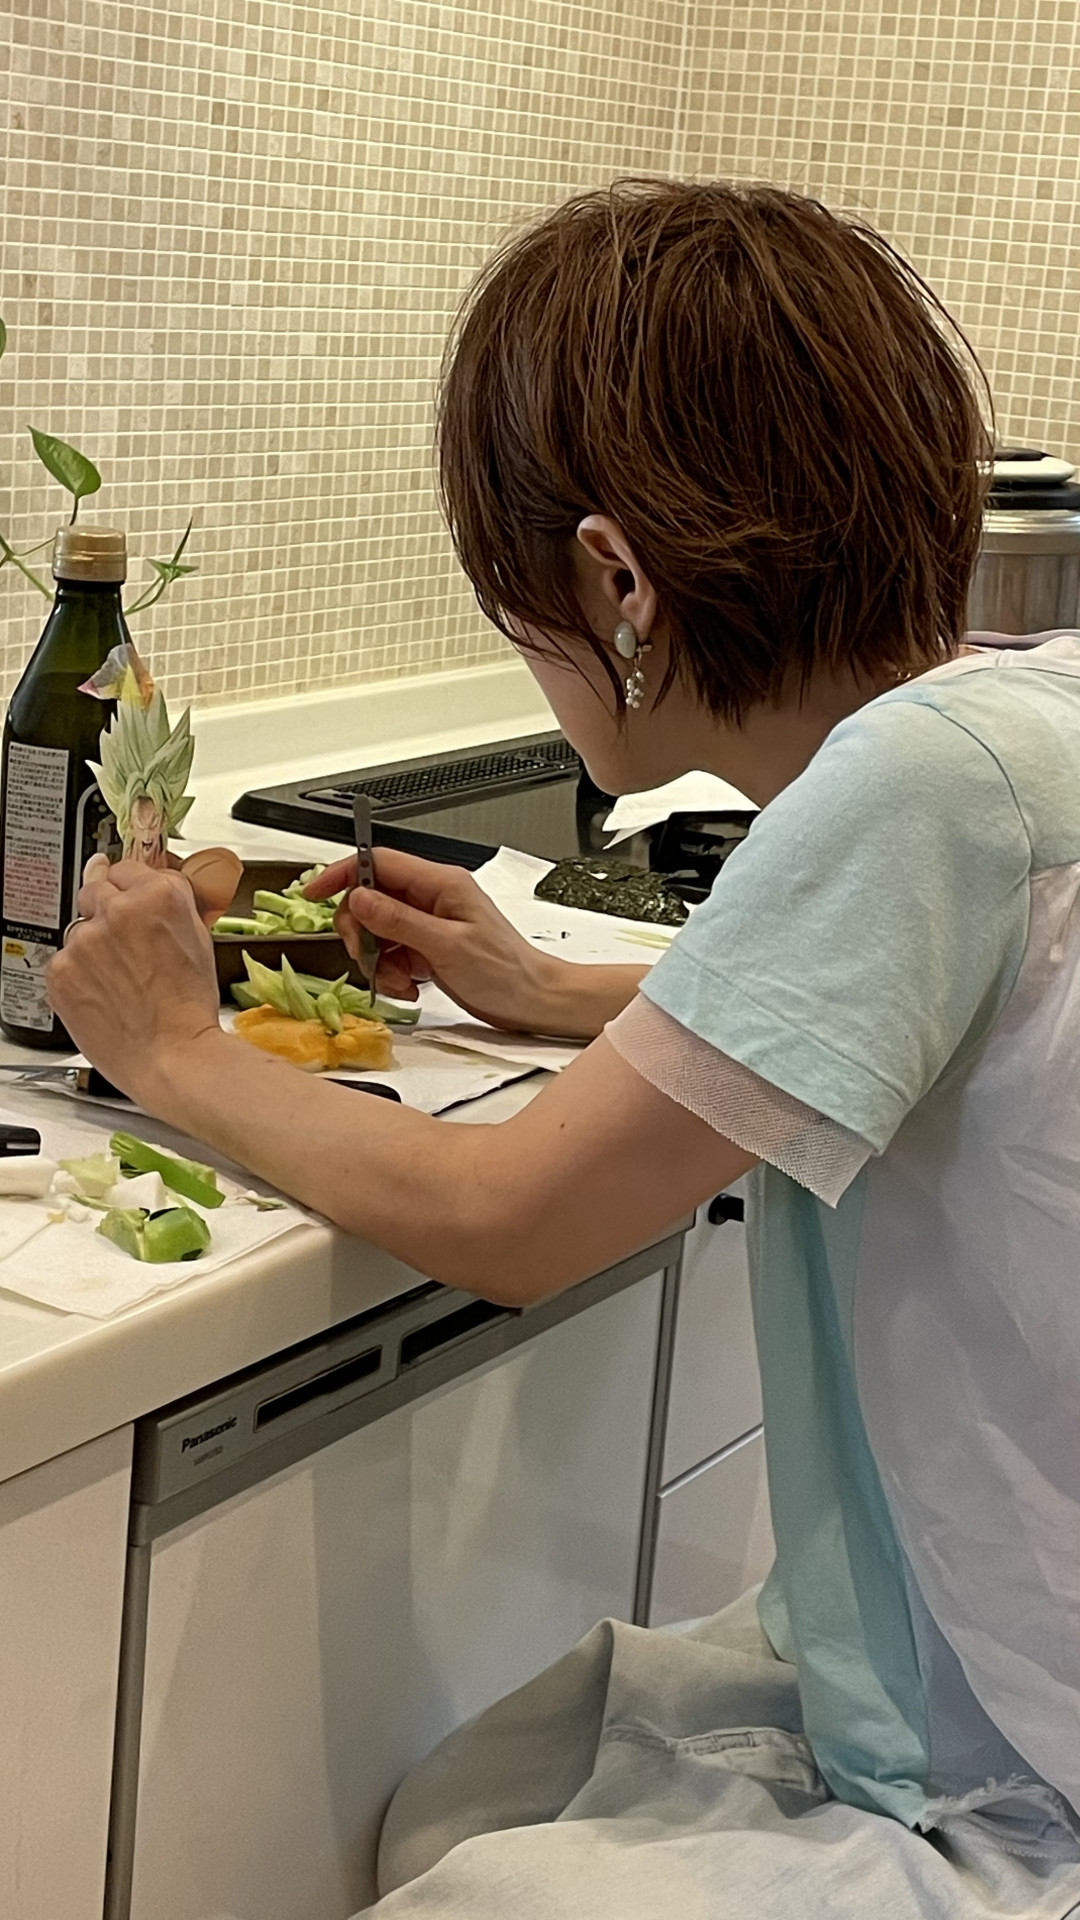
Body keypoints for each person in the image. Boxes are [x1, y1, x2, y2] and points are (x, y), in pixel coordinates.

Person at [49, 181, 1080, 1919]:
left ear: (616, 584)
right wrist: (552, 993)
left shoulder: (909, 790)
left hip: (1020, 1761)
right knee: (468, 1801)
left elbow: (510, 1219)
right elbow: (921, 1026)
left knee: (455, 1854)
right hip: (974, 1665)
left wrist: (173, 1049)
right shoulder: (1022, 708)